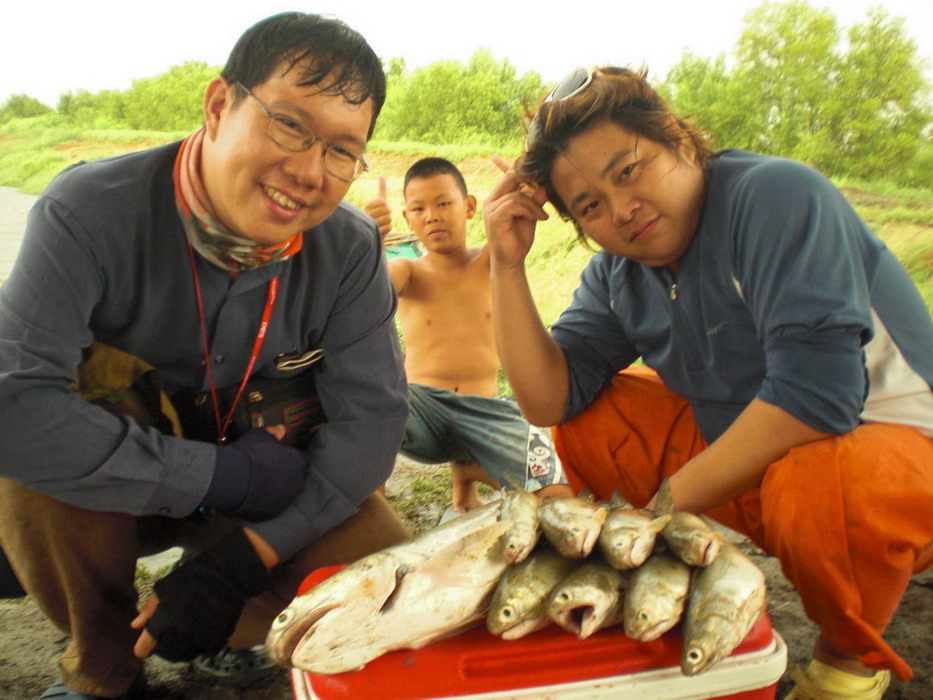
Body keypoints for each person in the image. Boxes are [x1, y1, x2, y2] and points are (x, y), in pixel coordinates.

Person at [483, 66, 932, 700]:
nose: (622, 210)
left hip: (893, 462)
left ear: (680, 141)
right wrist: (505, 265)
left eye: (628, 171)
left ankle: (848, 665)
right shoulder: (620, 271)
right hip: (760, 469)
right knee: (590, 415)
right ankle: (675, 584)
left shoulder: (774, 195)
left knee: (821, 483)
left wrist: (657, 509)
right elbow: (546, 397)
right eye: (591, 207)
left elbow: (819, 398)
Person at [0, 13, 411, 699]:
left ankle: (229, 634)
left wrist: (247, 557)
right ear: (219, 105)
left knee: (373, 557)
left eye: (342, 150)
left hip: (267, 489)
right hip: (113, 493)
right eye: (289, 125)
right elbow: (14, 409)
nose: (309, 171)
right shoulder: (87, 213)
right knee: (37, 473)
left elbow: (370, 427)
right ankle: (103, 670)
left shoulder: (349, 250)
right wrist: (216, 477)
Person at [363, 158, 571, 511]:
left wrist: (530, 188)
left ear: (470, 207)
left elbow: (513, 231)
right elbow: (364, 300)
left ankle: (468, 475)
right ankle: (369, 518)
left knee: (553, 493)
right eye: (418, 208)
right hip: (419, 410)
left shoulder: (493, 261)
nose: (432, 216)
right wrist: (368, 245)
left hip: (486, 411)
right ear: (407, 218)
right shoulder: (407, 271)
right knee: (366, 408)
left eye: (444, 203)